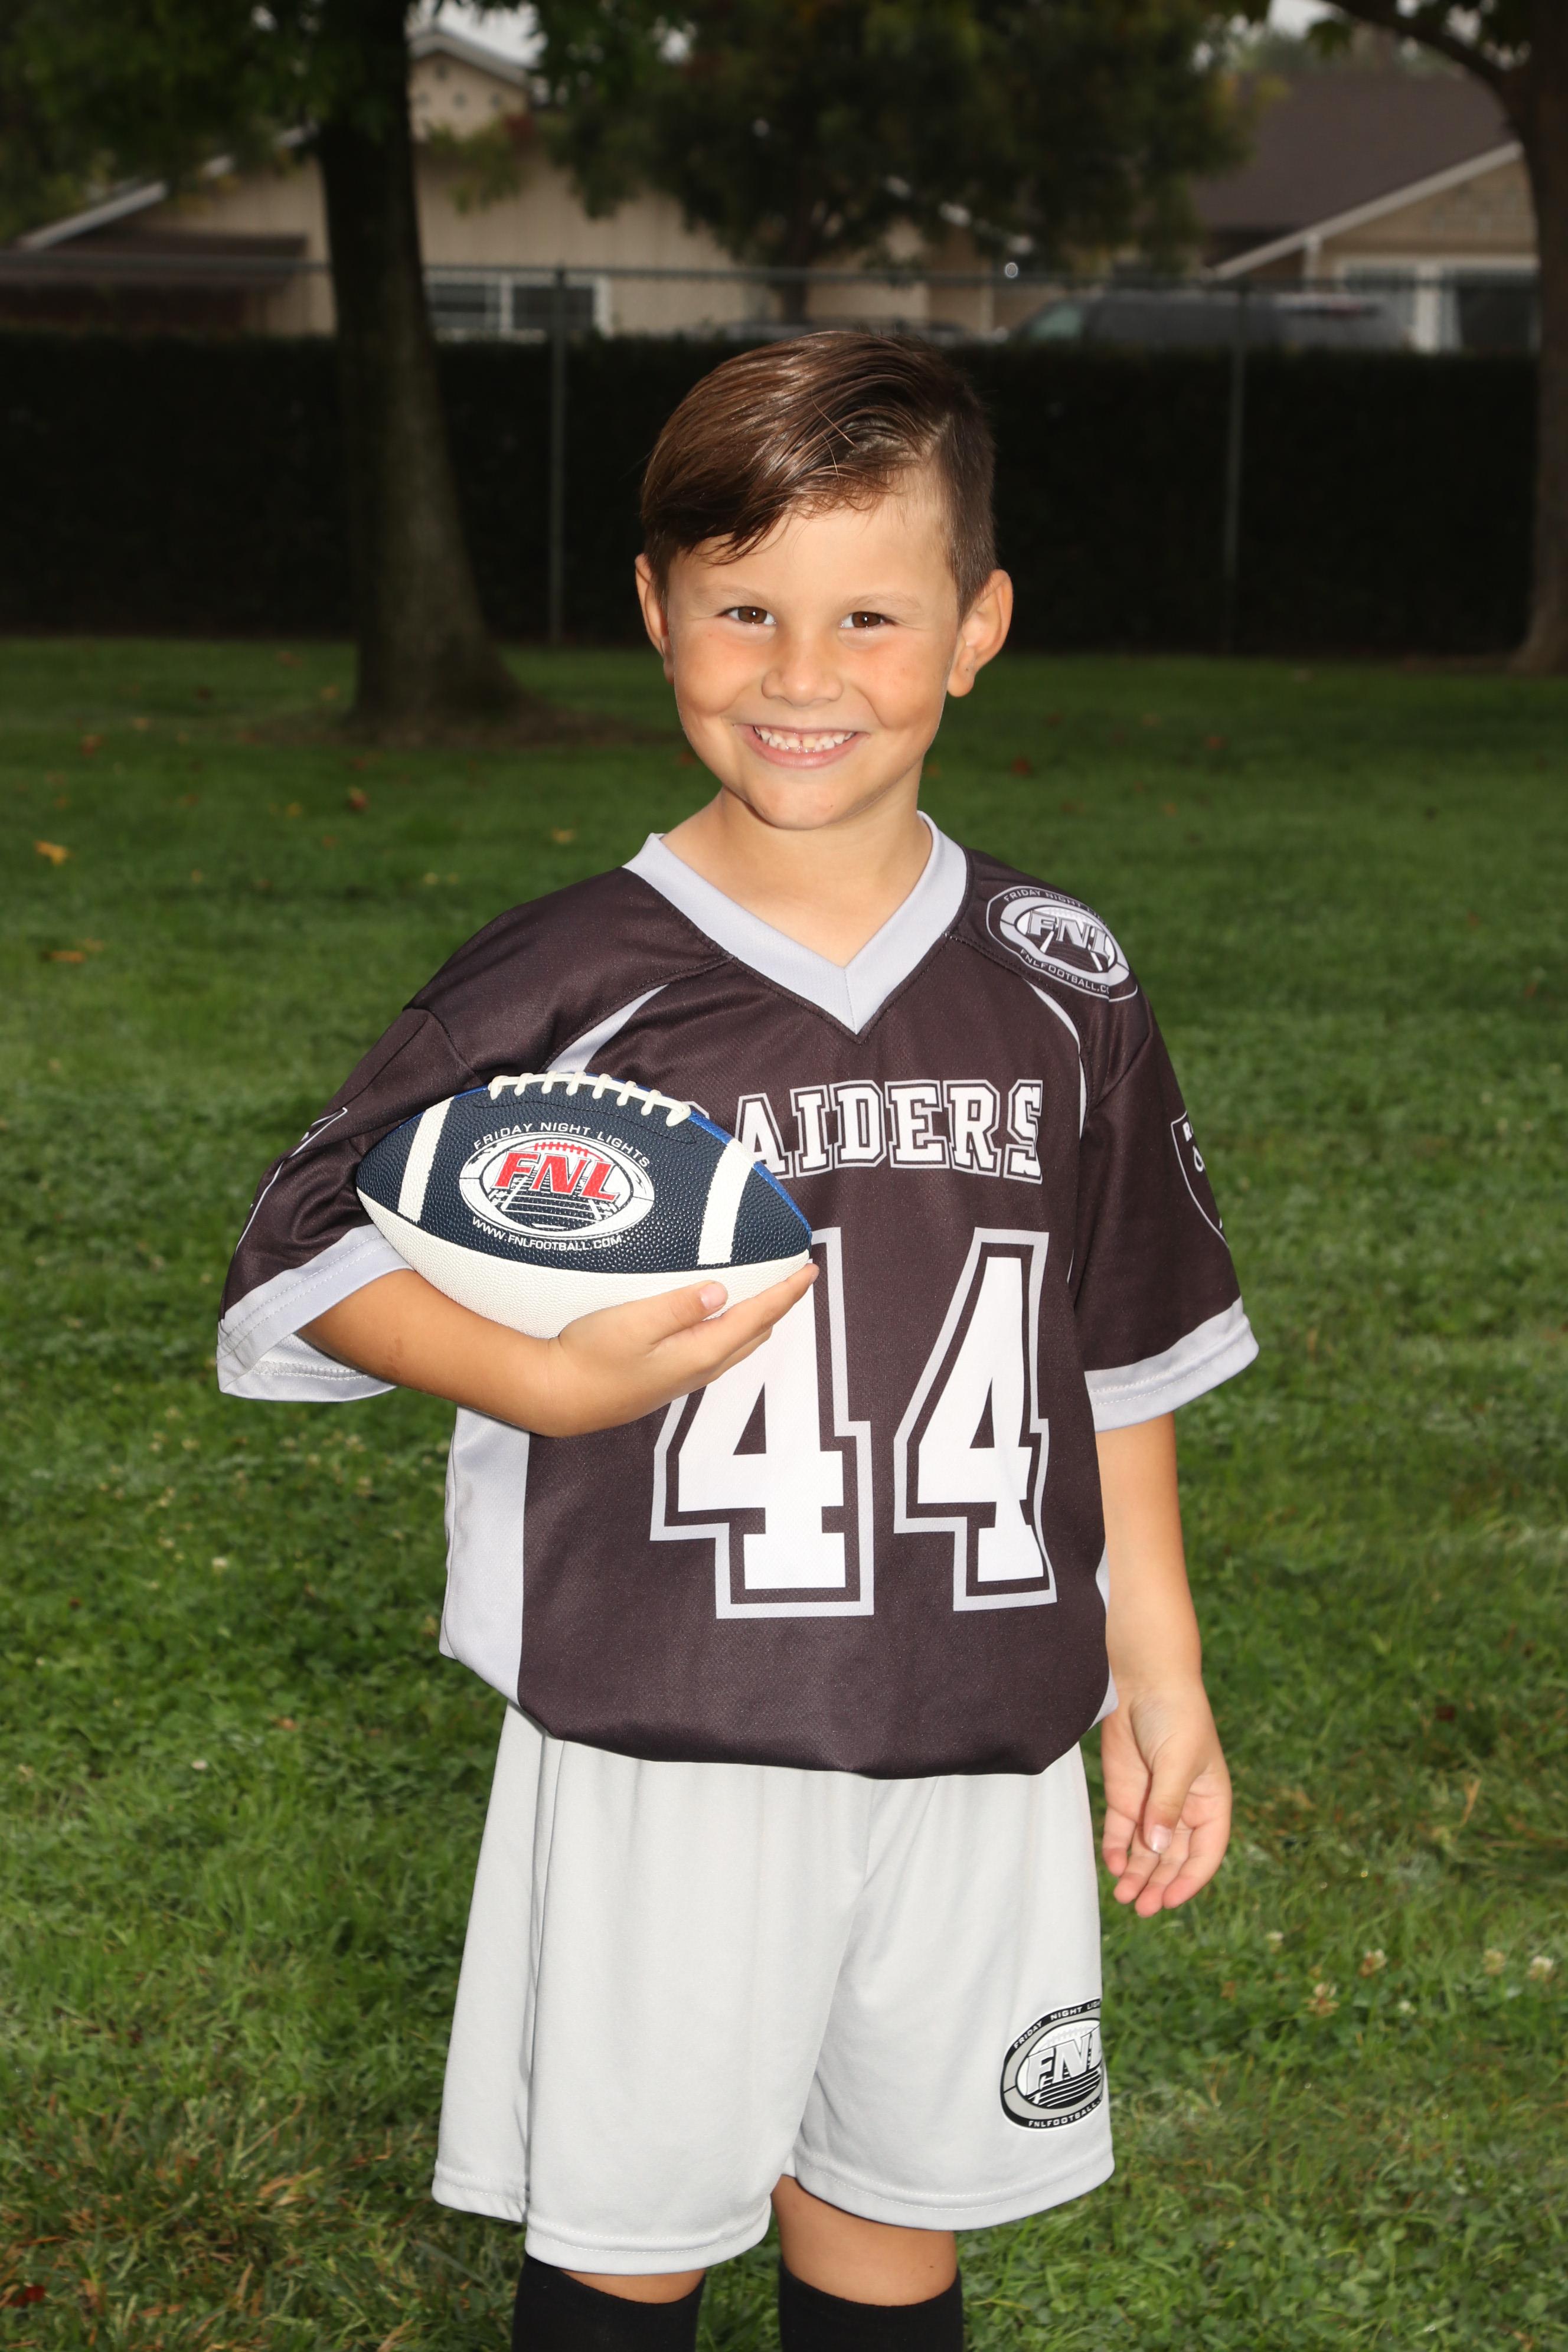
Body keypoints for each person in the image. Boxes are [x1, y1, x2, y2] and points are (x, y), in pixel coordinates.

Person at [217, 333, 1256, 2351]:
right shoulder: (569, 977)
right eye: (744, 609)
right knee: (630, 2242)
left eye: (871, 615)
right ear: (656, 611)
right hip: (664, 1729)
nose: (802, 673)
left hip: (978, 1731)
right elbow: (294, 1261)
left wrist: (1161, 1676)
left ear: (978, 628)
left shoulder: (1063, 980)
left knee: (893, 2230)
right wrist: (542, 1377)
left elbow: (1114, 1351)